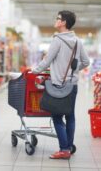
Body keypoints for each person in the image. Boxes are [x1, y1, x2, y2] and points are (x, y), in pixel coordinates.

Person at [32, 10, 90, 159]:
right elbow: (86, 62)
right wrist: (73, 70)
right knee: (70, 116)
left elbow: (47, 61)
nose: (56, 20)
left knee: (57, 117)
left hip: (58, 84)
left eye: (58, 18)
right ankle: (69, 146)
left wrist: (34, 71)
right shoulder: (77, 41)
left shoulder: (58, 40)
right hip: (73, 85)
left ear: (63, 22)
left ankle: (64, 150)